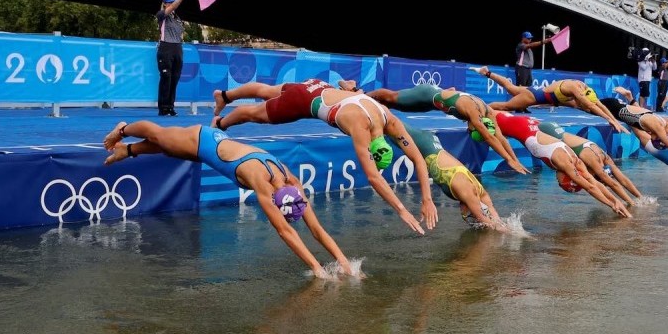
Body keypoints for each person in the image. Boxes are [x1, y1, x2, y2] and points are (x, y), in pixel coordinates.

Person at [102, 121, 356, 279]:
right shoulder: (261, 183)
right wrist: (316, 268)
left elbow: (316, 228)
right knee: (159, 136)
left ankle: (128, 151)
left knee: (169, 148)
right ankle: (123, 129)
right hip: (202, 139)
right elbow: (284, 231)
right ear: (276, 200)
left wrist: (344, 262)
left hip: (214, 147)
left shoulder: (293, 183)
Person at [213, 81, 440, 235]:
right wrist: (401, 209)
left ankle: (225, 95)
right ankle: (220, 123)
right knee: (255, 114)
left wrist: (427, 200)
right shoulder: (359, 126)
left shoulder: (388, 118)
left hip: (318, 86)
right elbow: (373, 178)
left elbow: (418, 159)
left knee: (267, 90)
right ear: (371, 145)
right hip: (303, 102)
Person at [341, 81, 529, 174]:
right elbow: (489, 137)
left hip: (435, 102)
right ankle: (356, 92)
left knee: (388, 107)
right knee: (389, 98)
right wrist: (508, 159)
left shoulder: (487, 111)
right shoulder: (473, 112)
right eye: (473, 130)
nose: (470, 130)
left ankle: (359, 97)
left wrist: (514, 159)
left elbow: (500, 137)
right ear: (476, 125)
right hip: (426, 95)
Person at [491, 110, 631, 218]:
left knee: (493, 112)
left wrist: (615, 201)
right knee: (486, 118)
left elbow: (593, 183)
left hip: (529, 124)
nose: (557, 182)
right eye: (560, 183)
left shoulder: (576, 162)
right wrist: (611, 204)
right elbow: (589, 187)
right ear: (566, 178)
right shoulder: (565, 164)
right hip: (519, 126)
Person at [403, 124, 509, 232]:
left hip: (430, 143)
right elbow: (483, 219)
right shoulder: (467, 193)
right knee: (389, 121)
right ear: (470, 208)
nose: (464, 216)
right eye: (467, 216)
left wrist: (503, 226)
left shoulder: (482, 194)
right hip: (425, 143)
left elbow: (495, 218)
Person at [476, 67, 628, 134]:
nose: (584, 106)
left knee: (511, 87)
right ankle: (477, 110)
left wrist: (612, 119)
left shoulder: (585, 90)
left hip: (536, 93)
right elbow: (590, 105)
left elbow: (597, 104)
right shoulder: (573, 89)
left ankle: (486, 72)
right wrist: (610, 119)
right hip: (533, 97)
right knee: (506, 106)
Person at [537, 121, 645, 207]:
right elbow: (613, 184)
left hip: (554, 129)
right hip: (548, 130)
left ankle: (638, 197)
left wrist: (640, 199)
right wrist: (632, 203)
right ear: (596, 175)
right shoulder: (593, 161)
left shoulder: (604, 158)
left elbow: (623, 179)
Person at [156, 0, 192, 116]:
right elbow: (173, 7)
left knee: (175, 78)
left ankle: (170, 107)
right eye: (169, 2)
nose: (171, 4)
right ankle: (163, 107)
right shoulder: (162, 15)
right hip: (166, 48)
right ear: (165, 4)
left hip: (177, 48)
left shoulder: (177, 19)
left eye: (172, 1)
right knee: (166, 77)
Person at [514, 31, 552, 107]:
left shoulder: (528, 47)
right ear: (523, 38)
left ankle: (524, 107)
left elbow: (530, 45)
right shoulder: (520, 46)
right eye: (528, 38)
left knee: (528, 88)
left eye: (530, 38)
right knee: (520, 88)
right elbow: (531, 45)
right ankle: (517, 107)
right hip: (522, 68)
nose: (529, 40)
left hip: (528, 69)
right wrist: (543, 42)